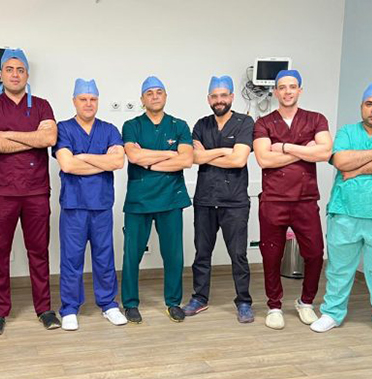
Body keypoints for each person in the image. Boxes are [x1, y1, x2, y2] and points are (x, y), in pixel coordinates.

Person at [310, 83, 372, 342]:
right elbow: (341, 161)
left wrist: (357, 169)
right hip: (345, 211)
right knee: (339, 268)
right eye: (369, 104)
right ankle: (332, 313)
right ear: (362, 107)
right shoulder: (347, 131)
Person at [0, 48, 60, 334]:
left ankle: (44, 309)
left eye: (20, 70)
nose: (15, 75)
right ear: (1, 74)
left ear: (27, 74)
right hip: (1, 191)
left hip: (36, 190)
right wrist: (31, 139)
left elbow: (49, 138)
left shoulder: (42, 105)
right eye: (9, 69)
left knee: (38, 251)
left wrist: (7, 135)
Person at [252, 70, 333, 330]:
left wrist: (285, 147)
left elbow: (325, 152)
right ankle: (274, 305)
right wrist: (305, 151)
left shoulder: (316, 119)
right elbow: (264, 159)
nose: (287, 91)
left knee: (315, 253)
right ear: (275, 92)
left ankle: (306, 302)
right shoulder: (263, 123)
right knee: (271, 255)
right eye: (282, 87)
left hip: (305, 199)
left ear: (300, 90)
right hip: (273, 199)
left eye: (292, 86)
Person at [53, 78, 128, 331]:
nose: (88, 103)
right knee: (71, 259)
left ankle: (108, 304)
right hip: (73, 206)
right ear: (74, 101)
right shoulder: (63, 128)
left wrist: (82, 157)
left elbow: (117, 162)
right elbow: (67, 165)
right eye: (83, 99)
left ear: (98, 101)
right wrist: (100, 160)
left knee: (104, 257)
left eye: (93, 99)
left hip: (101, 205)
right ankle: (69, 308)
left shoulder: (109, 129)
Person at [182, 75, 255, 323]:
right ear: (208, 99)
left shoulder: (245, 122)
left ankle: (244, 302)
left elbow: (239, 160)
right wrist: (225, 151)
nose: (219, 100)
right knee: (202, 254)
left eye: (223, 95)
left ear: (232, 97)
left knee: (238, 255)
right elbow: (193, 158)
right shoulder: (201, 125)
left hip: (235, 202)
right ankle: (199, 298)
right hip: (205, 200)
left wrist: (208, 155)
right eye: (214, 96)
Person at [121, 76, 194, 324]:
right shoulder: (131, 125)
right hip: (139, 199)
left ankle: (173, 302)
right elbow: (133, 157)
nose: (154, 96)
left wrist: (149, 161)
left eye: (159, 92)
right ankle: (130, 303)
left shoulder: (179, 125)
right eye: (149, 93)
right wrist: (169, 154)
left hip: (171, 198)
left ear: (165, 96)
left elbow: (186, 160)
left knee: (173, 255)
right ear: (142, 99)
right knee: (132, 254)